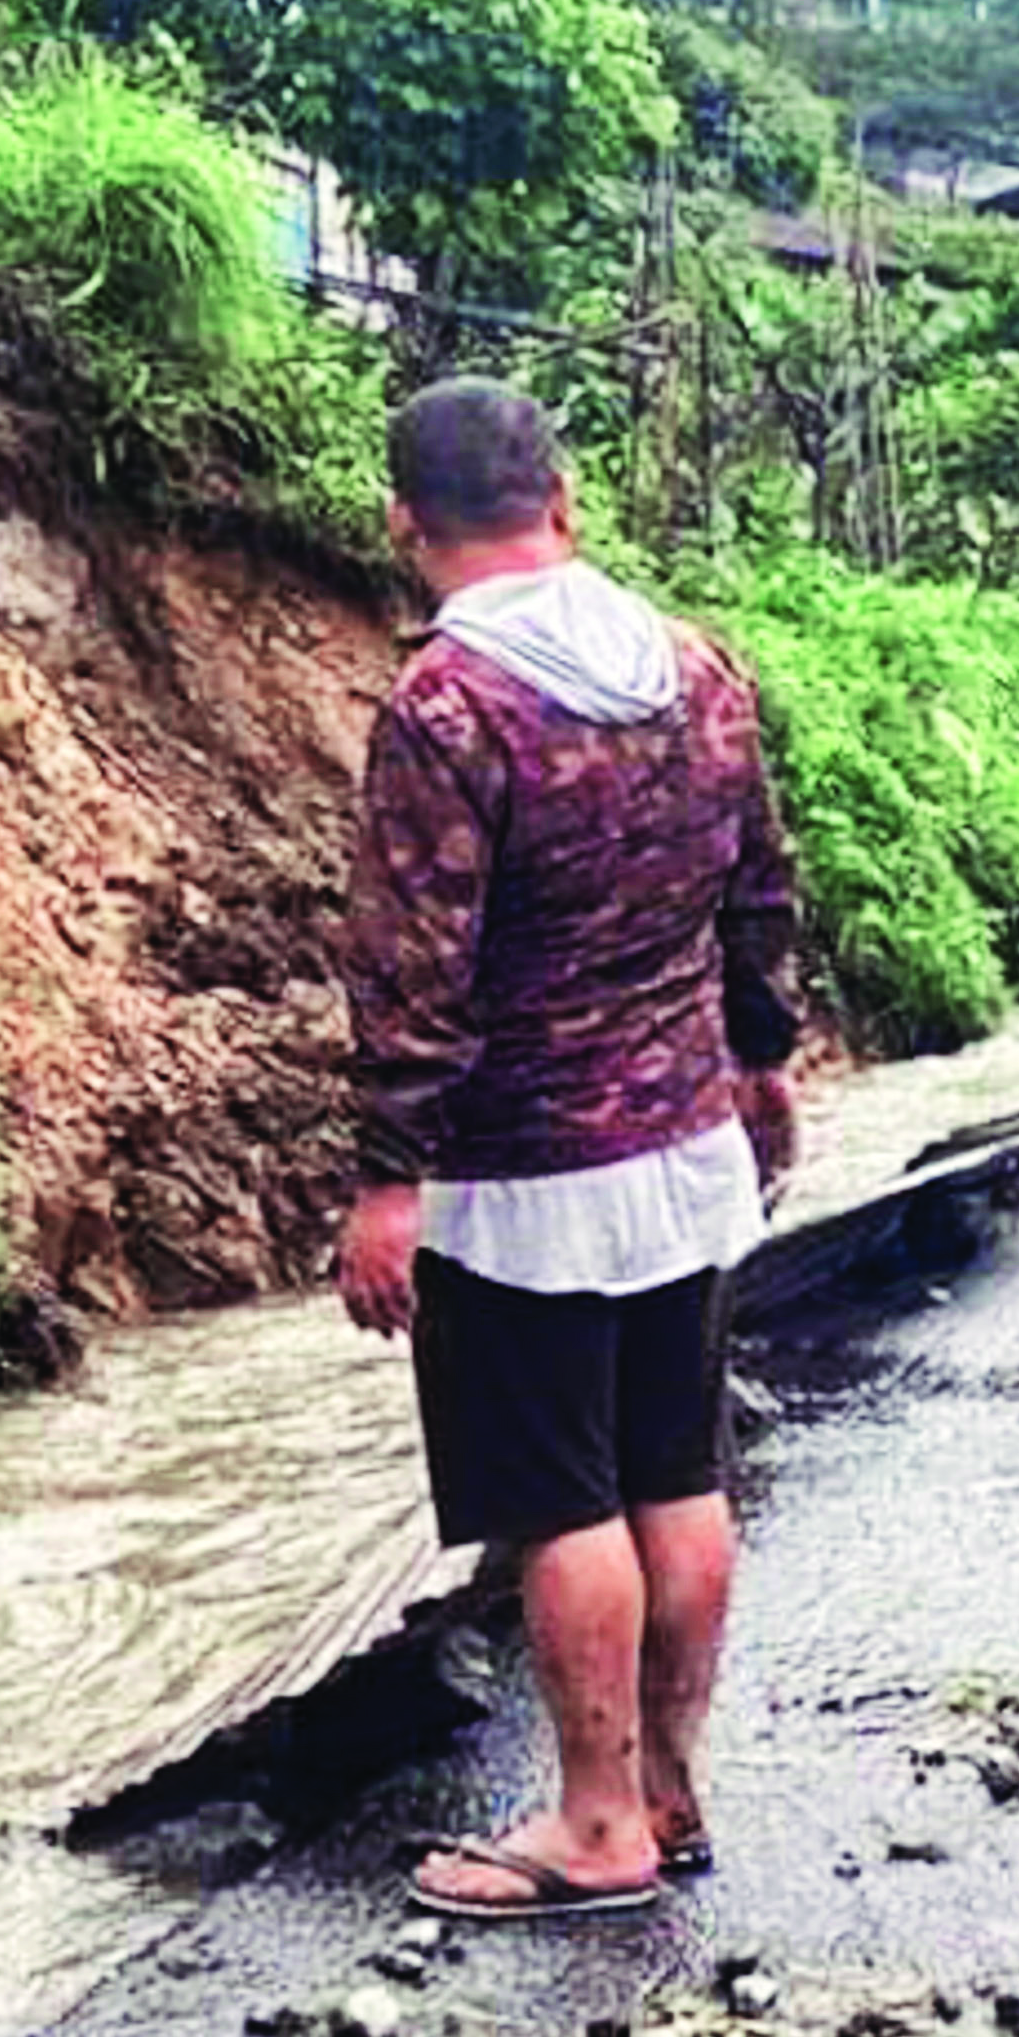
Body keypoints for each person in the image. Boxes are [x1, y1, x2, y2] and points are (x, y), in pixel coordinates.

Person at [339, 377, 804, 1923]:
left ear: (404, 524)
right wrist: (762, 1060)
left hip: (520, 1183)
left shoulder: (447, 707)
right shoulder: (700, 668)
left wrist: (388, 1178)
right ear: (565, 502)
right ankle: (668, 1790)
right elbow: (760, 890)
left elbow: (413, 965)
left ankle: (598, 1826)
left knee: (562, 1499)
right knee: (677, 1467)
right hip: (686, 1144)